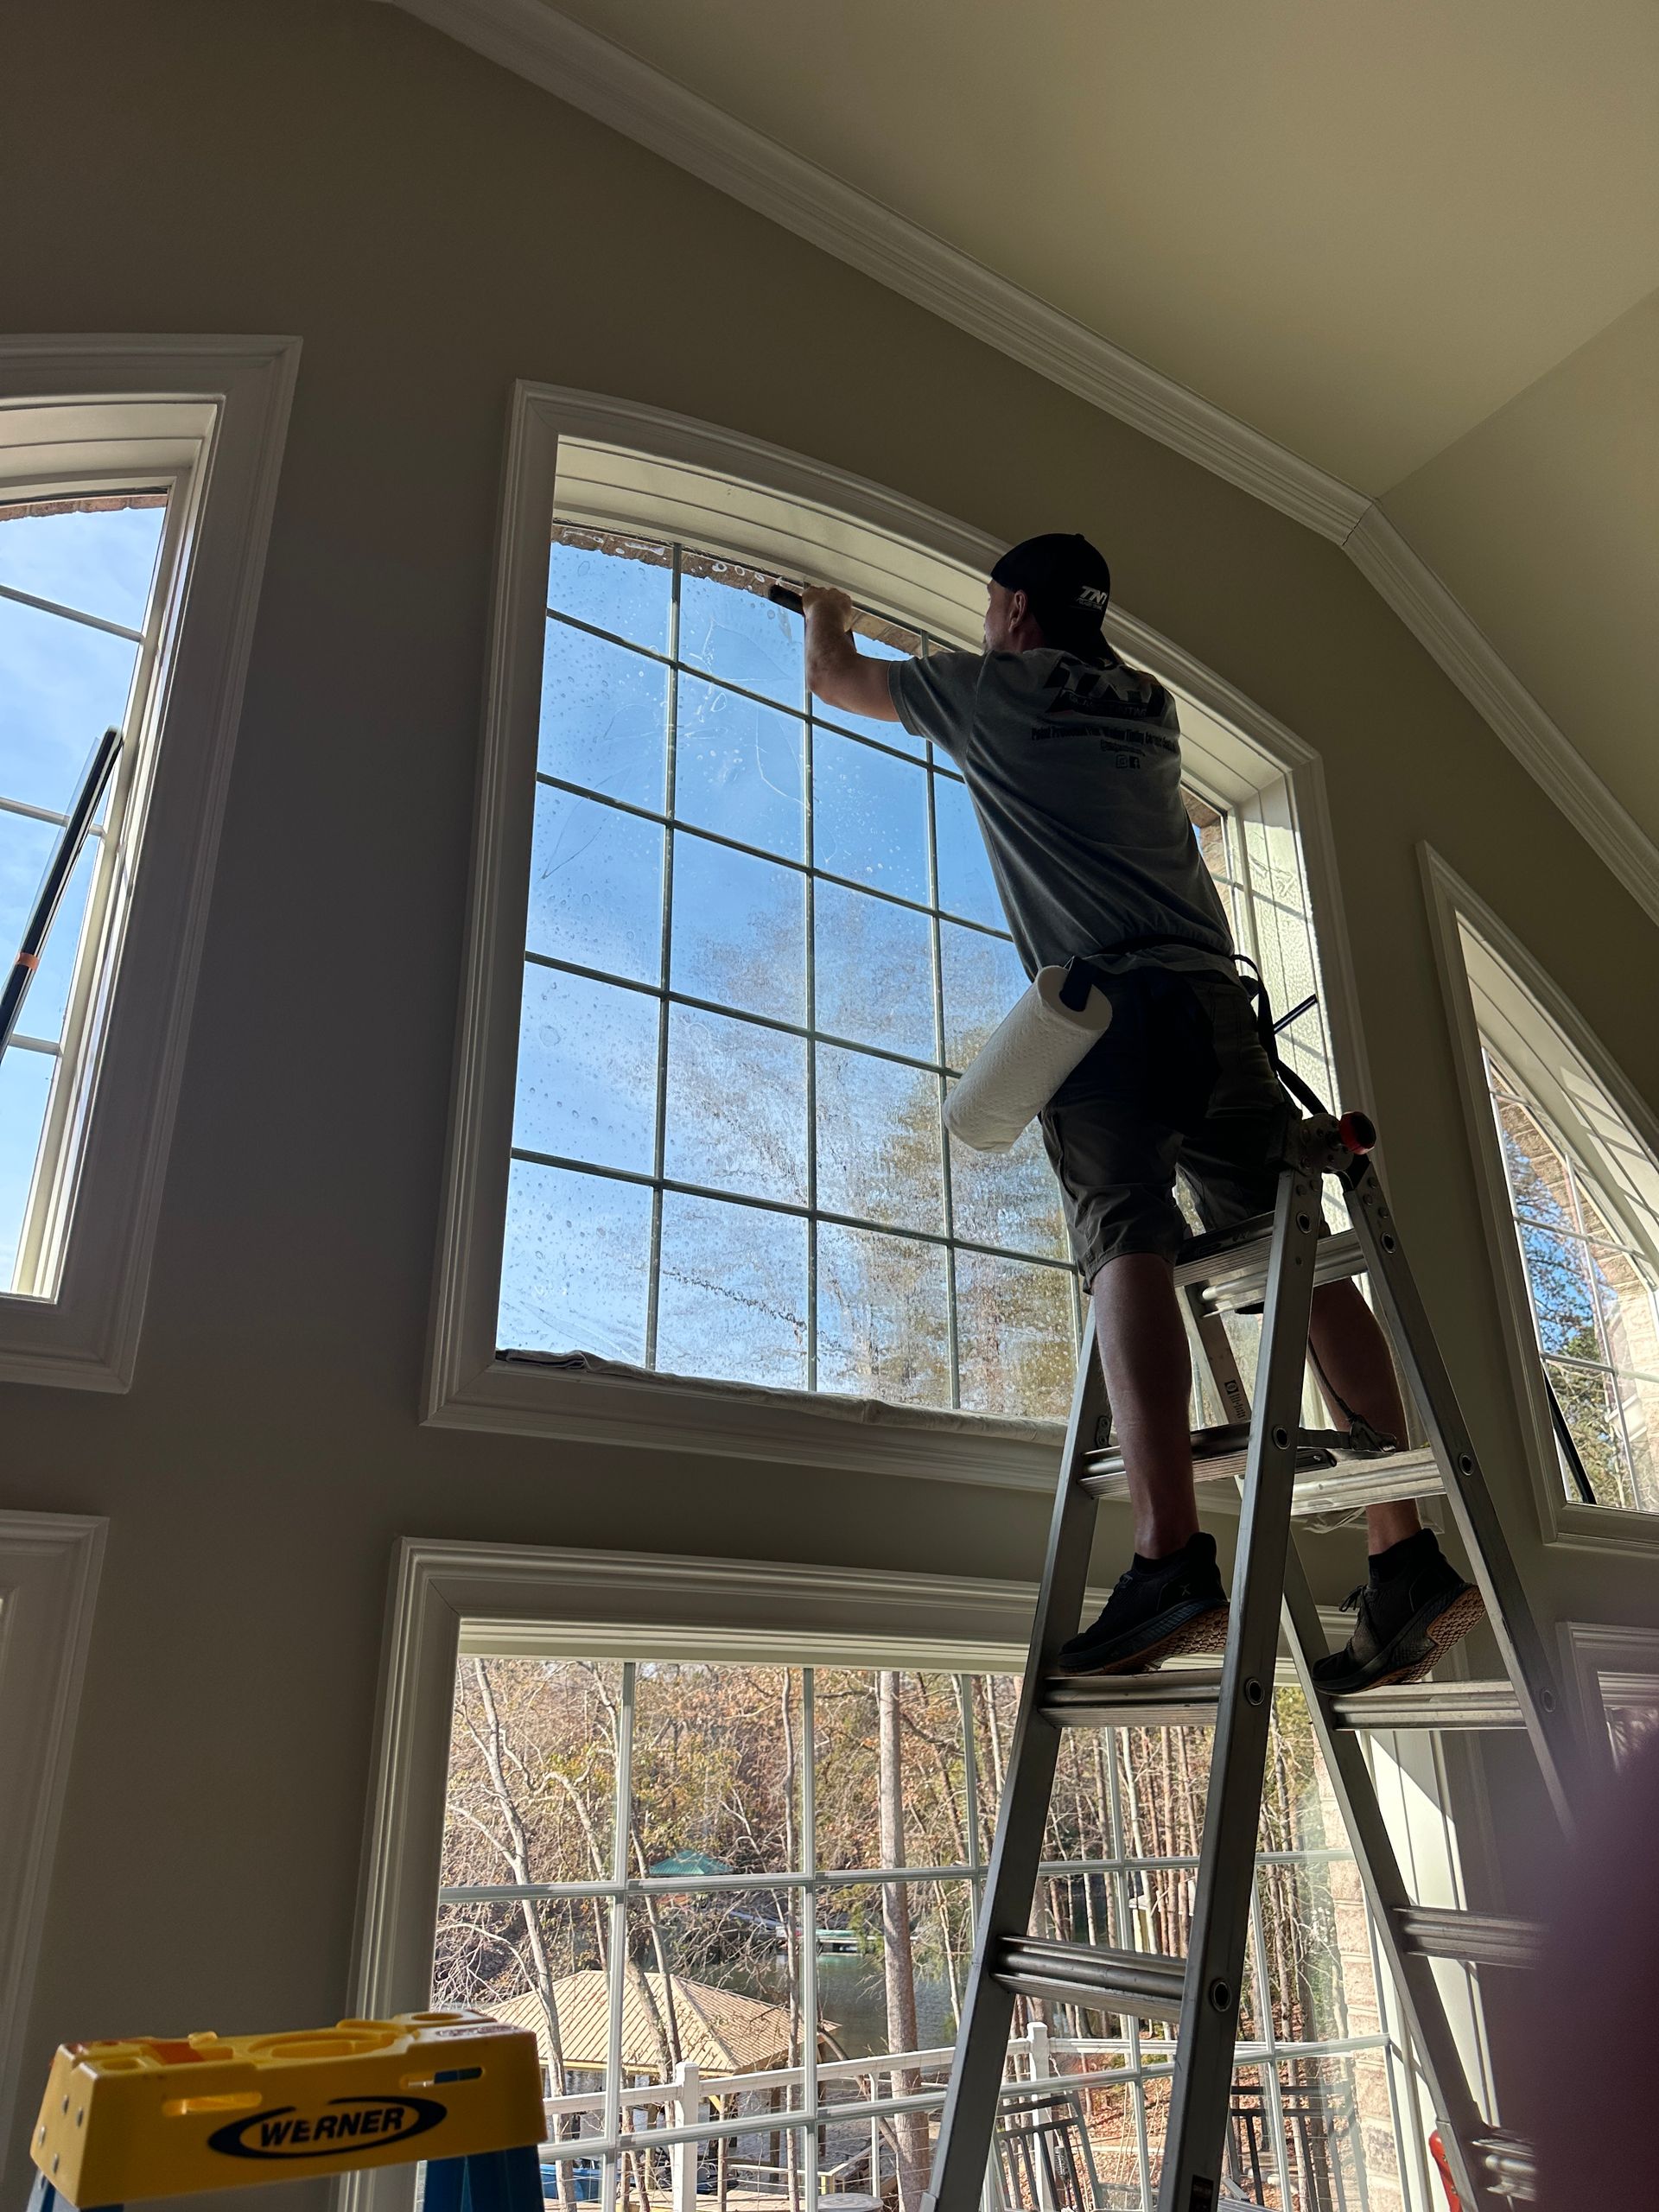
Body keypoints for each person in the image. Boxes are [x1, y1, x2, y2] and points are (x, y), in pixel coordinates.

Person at [798, 533, 1480, 1690]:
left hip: (1106, 1011)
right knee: (1298, 1265)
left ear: (1013, 609)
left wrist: (821, 606)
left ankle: (1169, 1558)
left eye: (988, 608)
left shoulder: (990, 689)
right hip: (1219, 1007)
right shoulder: (1147, 703)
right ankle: (1403, 1552)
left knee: (1128, 1240)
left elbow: (838, 677)